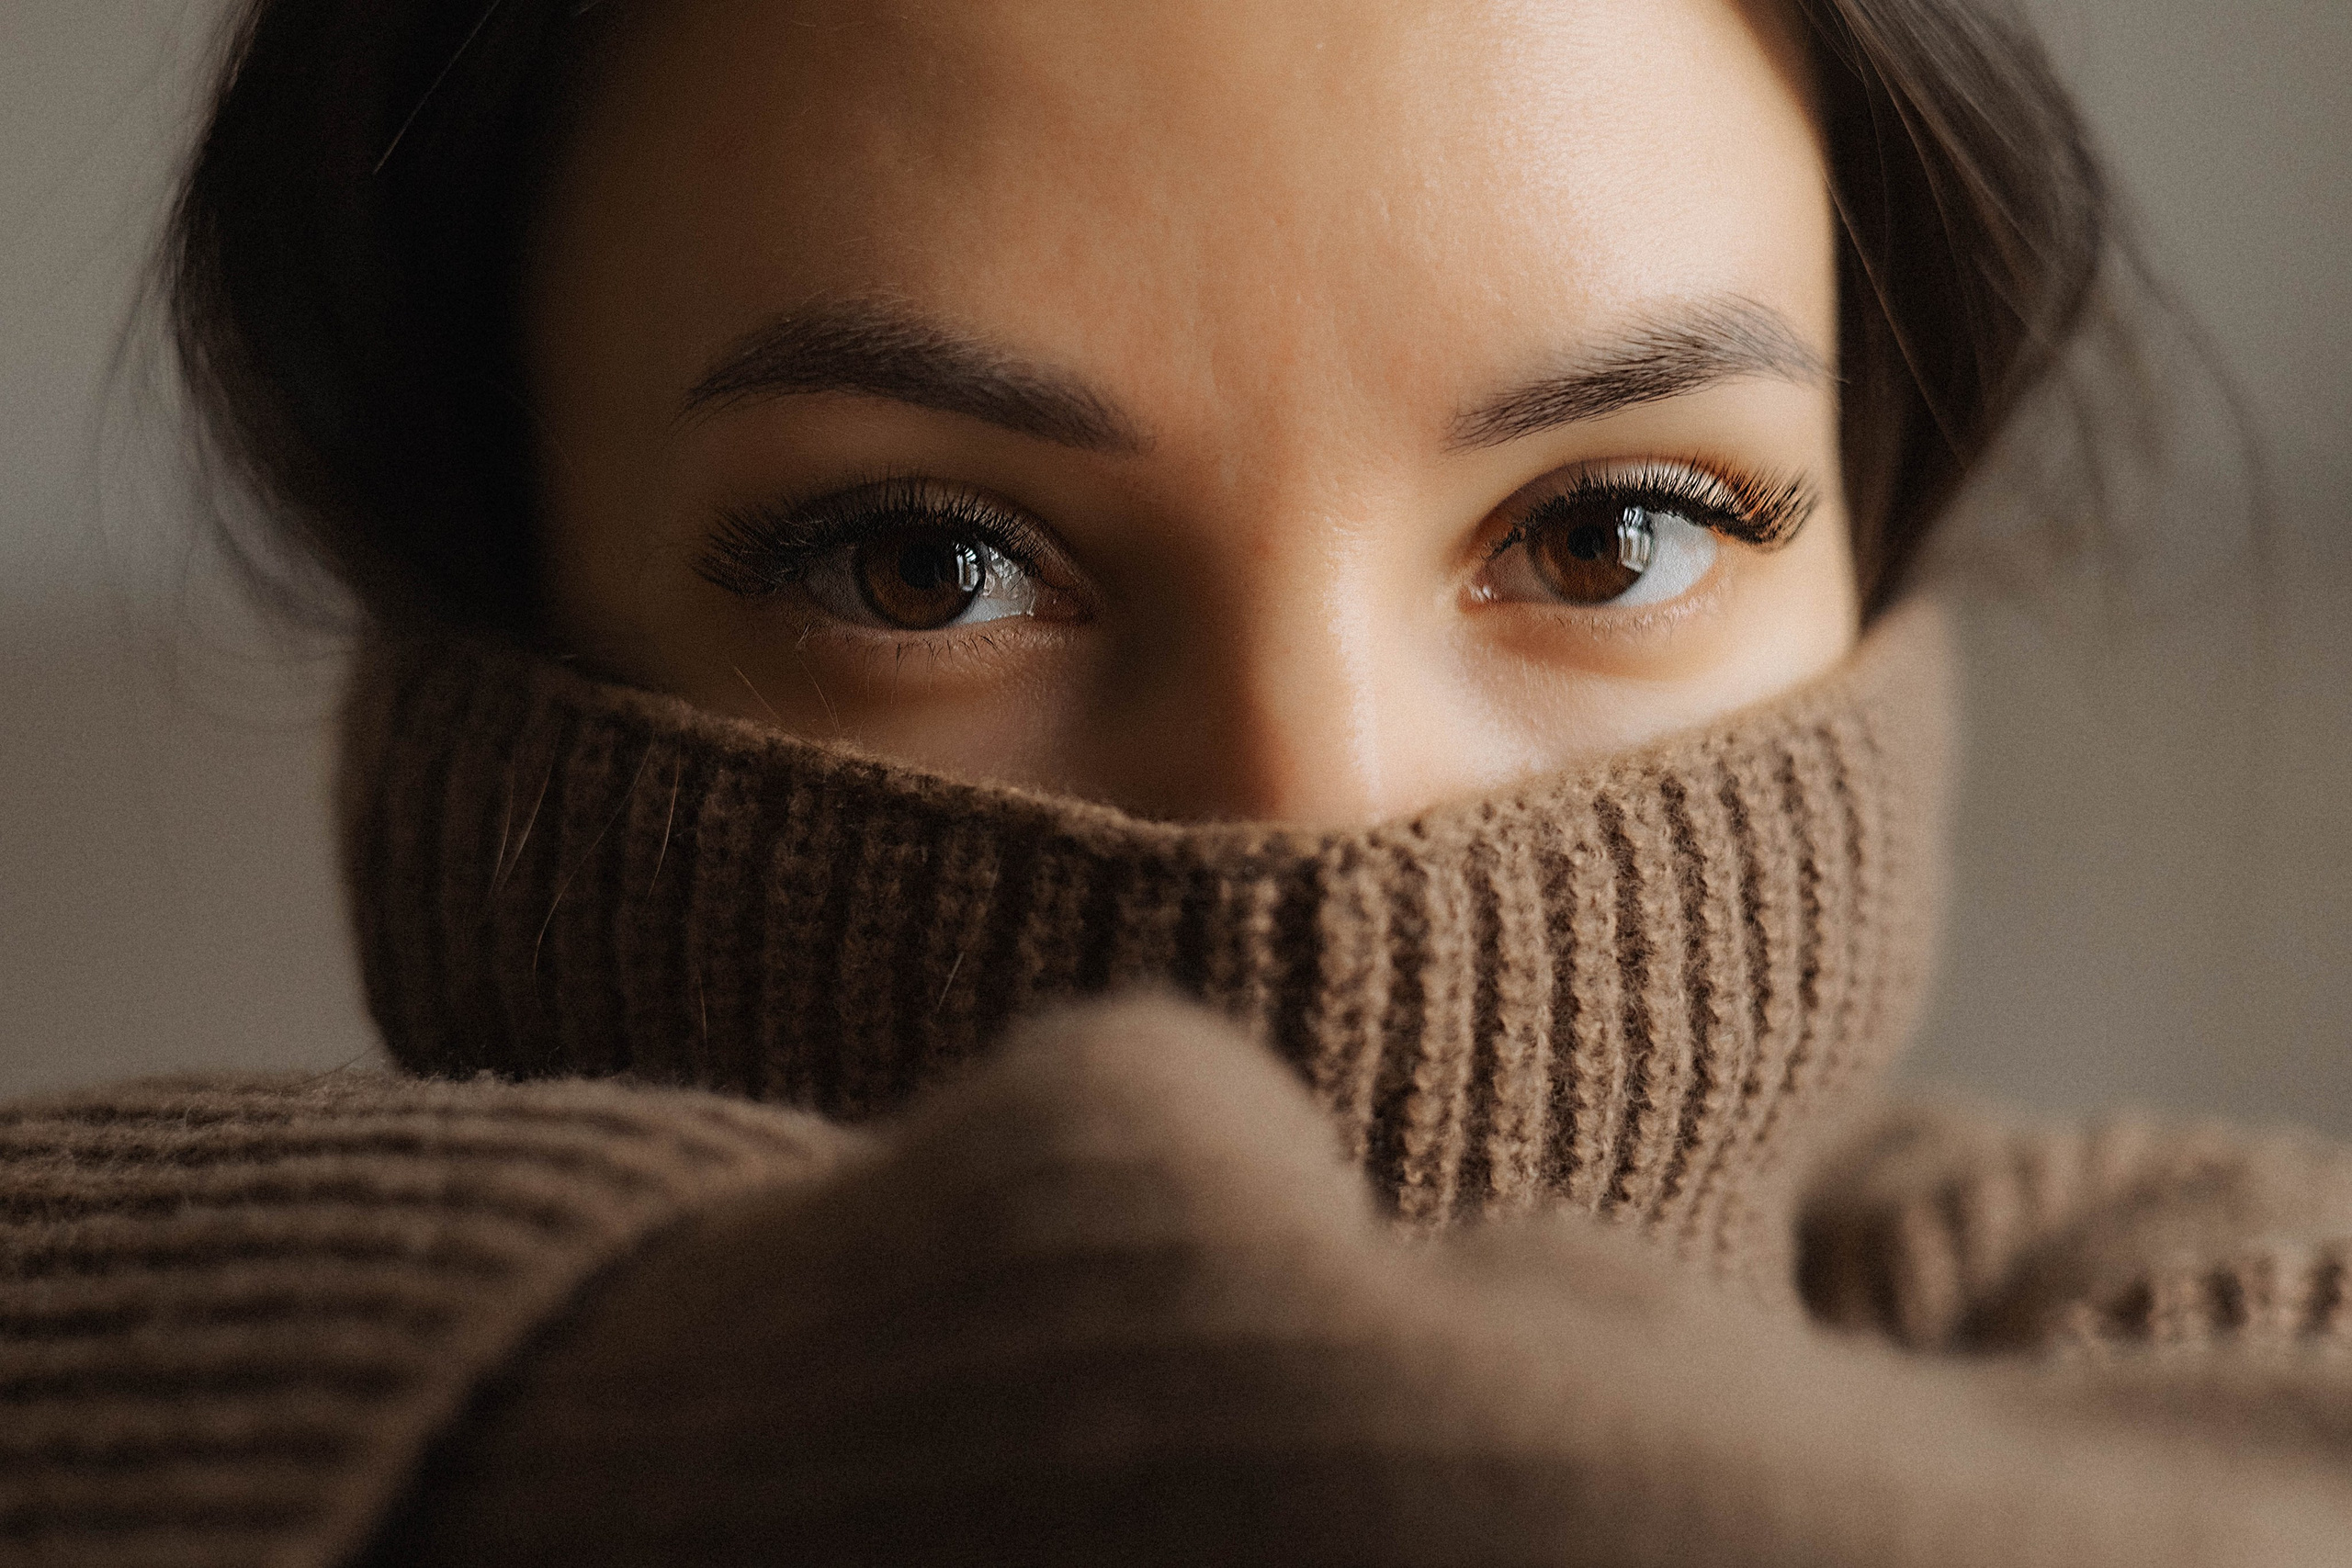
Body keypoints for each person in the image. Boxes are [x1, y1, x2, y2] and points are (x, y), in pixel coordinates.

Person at [6, 0, 2348, 1563]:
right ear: (490, 627)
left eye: (1607, 531)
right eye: (926, 563)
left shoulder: (2232, 1331)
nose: (1313, 806)